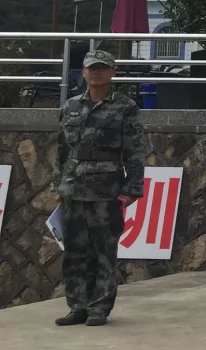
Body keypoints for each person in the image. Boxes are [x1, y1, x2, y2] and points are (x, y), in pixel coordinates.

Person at [52, 48, 146, 328]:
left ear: (112, 73)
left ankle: (99, 308)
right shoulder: (70, 106)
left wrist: (132, 188)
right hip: (73, 188)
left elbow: (135, 150)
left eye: (102, 68)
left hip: (106, 190)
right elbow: (61, 150)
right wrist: (58, 185)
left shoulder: (125, 107)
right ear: (83, 73)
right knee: (74, 251)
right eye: (91, 68)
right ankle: (77, 306)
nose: (96, 73)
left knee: (103, 251)